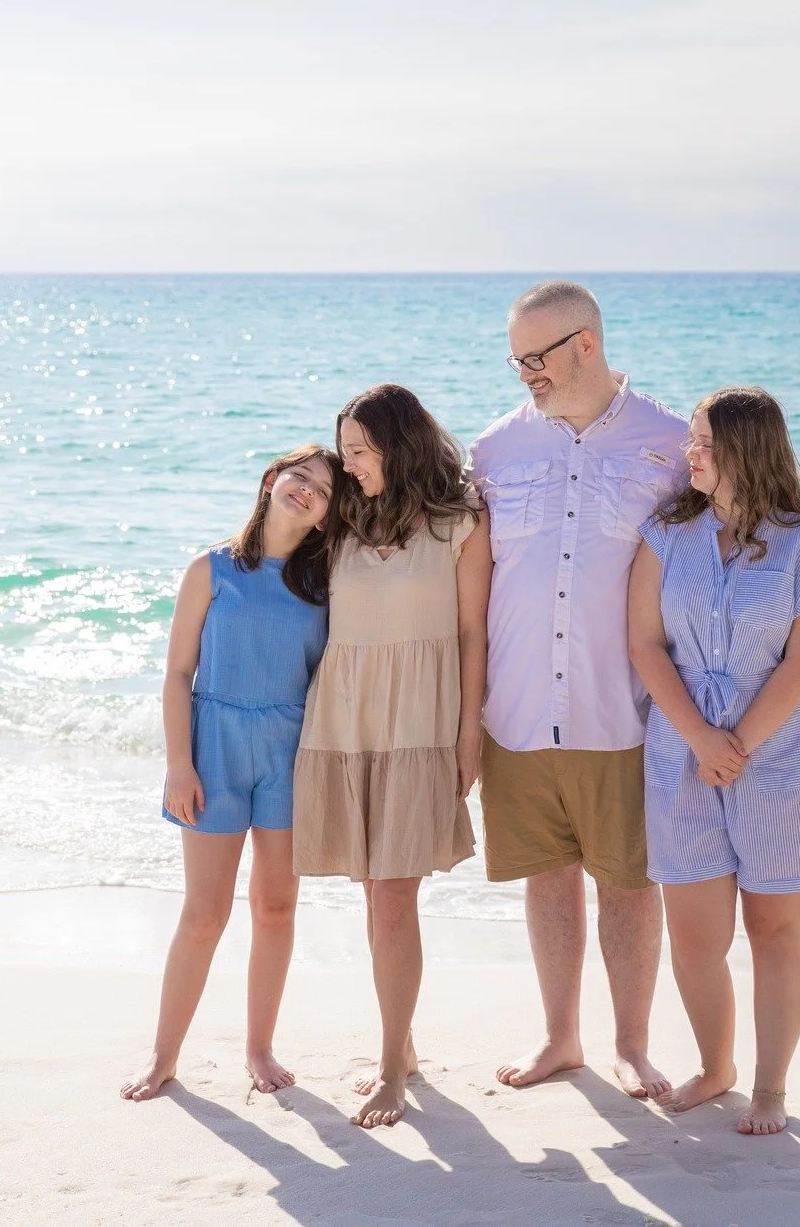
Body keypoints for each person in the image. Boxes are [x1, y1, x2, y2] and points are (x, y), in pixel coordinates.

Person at [468, 280, 687, 1100]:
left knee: (629, 880)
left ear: (585, 344)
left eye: (538, 356)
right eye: (515, 357)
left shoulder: (672, 443)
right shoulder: (494, 450)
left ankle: (631, 1045)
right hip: (517, 708)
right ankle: (562, 1037)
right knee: (546, 873)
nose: (525, 371)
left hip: (622, 707)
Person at [626, 386, 800, 1136]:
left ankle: (770, 1087)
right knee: (695, 936)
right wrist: (700, 736)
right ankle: (715, 1064)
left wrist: (740, 744)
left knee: (774, 931)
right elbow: (645, 647)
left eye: (701, 441)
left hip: (786, 756)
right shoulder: (665, 535)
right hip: (681, 753)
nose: (687, 453)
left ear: (744, 450)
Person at [292, 384, 491, 1129]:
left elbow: (474, 631)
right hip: (343, 722)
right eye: (343, 450)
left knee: (396, 894)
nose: (349, 464)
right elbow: (273, 531)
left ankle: (391, 1072)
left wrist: (469, 730)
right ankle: (399, 1048)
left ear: (397, 447)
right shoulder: (342, 518)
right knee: (372, 894)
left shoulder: (459, 523)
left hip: (420, 723)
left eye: (360, 451)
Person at [120, 446, 338, 1102]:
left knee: (276, 906)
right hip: (213, 750)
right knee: (205, 911)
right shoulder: (211, 567)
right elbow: (178, 674)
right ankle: (163, 1056)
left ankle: (259, 1047)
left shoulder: (324, 585)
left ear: (329, 517)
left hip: (289, 754)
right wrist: (178, 763)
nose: (307, 490)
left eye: (324, 489)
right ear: (272, 479)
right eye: (300, 476)